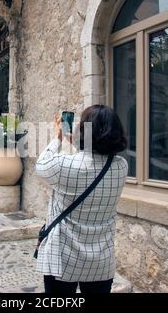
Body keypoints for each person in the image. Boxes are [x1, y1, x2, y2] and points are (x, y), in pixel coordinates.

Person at [35, 105, 128, 294]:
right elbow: (94, 158)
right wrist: (79, 142)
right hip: (100, 260)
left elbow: (42, 164)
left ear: (84, 130)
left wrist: (59, 137)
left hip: (62, 258)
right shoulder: (121, 166)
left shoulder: (64, 165)